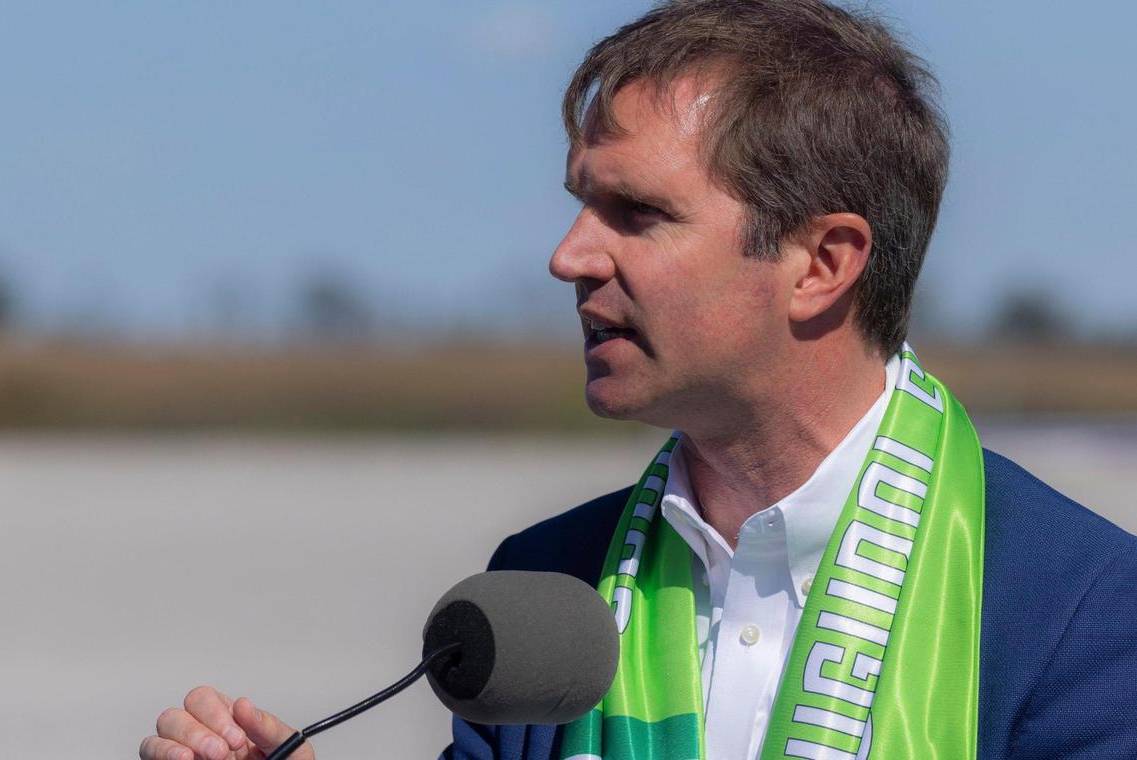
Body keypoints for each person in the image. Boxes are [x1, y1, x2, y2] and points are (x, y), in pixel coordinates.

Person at [139, 1, 1137, 759]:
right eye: (582, 205)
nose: (569, 256)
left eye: (638, 214)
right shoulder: (540, 590)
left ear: (823, 263)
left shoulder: (1081, 614)